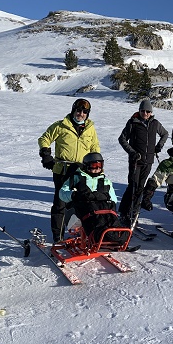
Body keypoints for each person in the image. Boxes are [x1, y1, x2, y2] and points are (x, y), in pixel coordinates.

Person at [38, 98, 101, 243]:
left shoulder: (90, 128)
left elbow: (95, 147)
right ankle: (58, 236)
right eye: (78, 110)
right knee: (60, 203)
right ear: (73, 110)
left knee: (83, 202)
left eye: (85, 112)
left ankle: (82, 233)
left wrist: (96, 165)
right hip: (62, 170)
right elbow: (44, 139)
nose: (81, 114)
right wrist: (46, 154)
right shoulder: (61, 125)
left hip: (81, 171)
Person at [58, 152, 129, 246]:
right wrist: (74, 195)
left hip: (101, 209)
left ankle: (114, 236)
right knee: (94, 220)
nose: (97, 169)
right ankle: (96, 237)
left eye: (100, 165)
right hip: (82, 209)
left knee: (109, 217)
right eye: (94, 166)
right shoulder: (76, 178)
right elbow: (62, 193)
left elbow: (113, 199)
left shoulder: (105, 181)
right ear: (86, 166)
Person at [117, 100, 169, 227]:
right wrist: (132, 152)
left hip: (148, 161)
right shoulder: (133, 123)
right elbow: (122, 139)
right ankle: (124, 213)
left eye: (148, 111)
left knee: (140, 188)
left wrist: (158, 146)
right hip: (136, 161)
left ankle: (133, 214)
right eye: (143, 111)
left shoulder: (155, 123)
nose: (145, 113)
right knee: (132, 187)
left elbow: (165, 134)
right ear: (139, 111)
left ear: (151, 112)